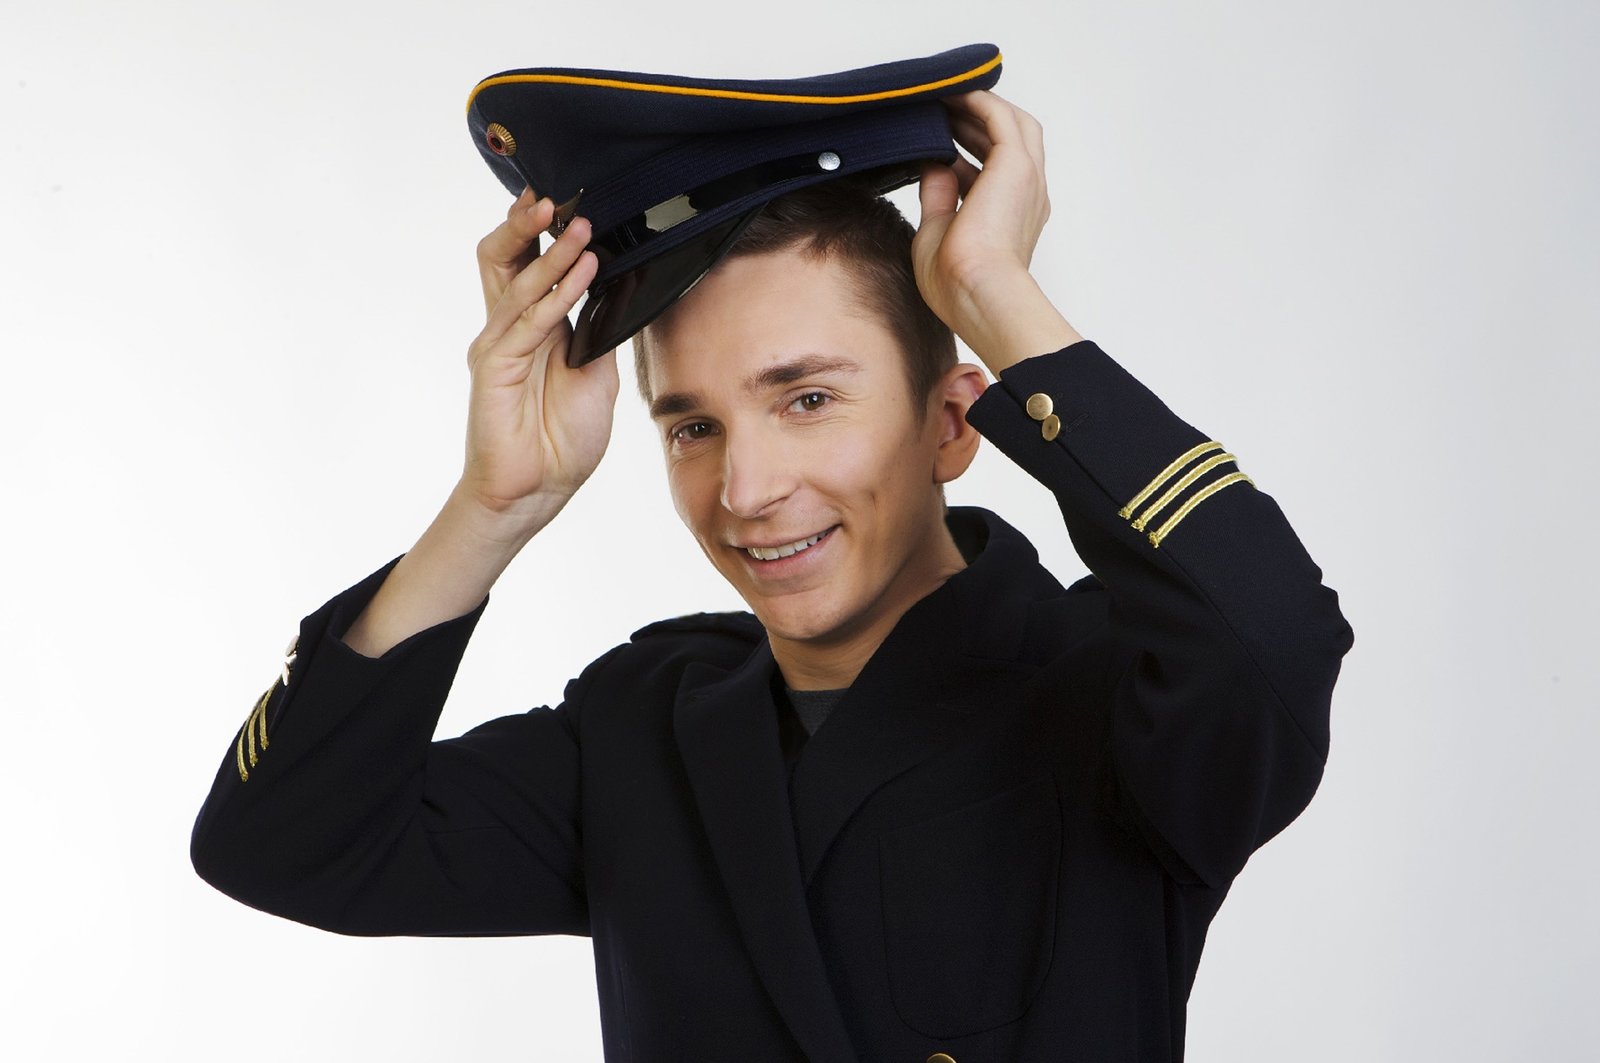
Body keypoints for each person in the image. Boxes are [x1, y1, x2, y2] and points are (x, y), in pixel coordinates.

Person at [191, 47, 1353, 1063]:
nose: (744, 491)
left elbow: (1270, 638)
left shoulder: (1109, 693)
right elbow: (282, 842)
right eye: (692, 427)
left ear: (952, 422)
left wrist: (997, 293)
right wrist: (497, 504)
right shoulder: (643, 728)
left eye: (805, 399)